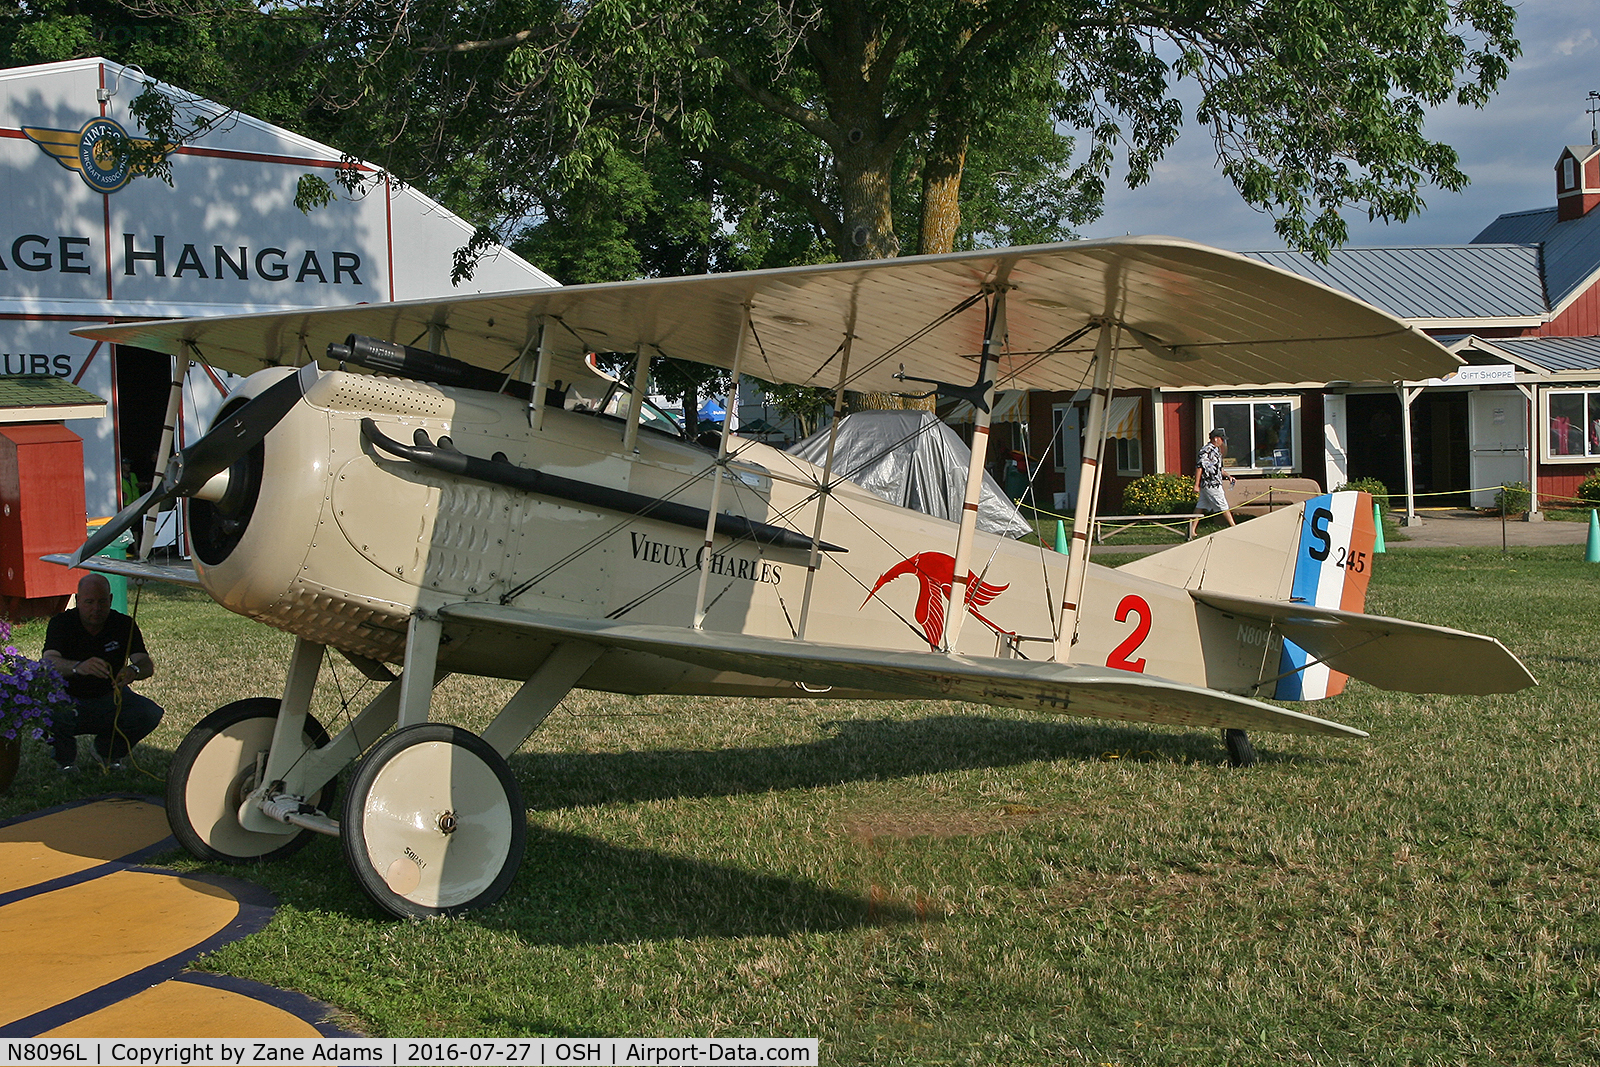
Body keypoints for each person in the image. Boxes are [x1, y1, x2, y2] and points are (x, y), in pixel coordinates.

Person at [40, 573, 164, 772]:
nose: (96, 609)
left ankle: (107, 752)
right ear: (78, 600)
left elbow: (145, 663)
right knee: (45, 710)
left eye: (102, 602)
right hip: (67, 698)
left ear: (111, 600)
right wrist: (78, 667)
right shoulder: (61, 623)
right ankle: (65, 762)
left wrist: (134, 670)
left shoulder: (124, 624)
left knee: (149, 713)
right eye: (89, 602)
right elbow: (48, 661)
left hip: (110, 698)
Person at [1188, 427, 1238, 539]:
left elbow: (1218, 468)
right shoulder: (1206, 451)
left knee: (1201, 506)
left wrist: (1228, 476)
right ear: (1216, 439)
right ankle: (1234, 527)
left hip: (1213, 483)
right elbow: (1200, 467)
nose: (1222, 441)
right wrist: (1196, 484)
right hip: (1211, 484)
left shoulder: (1216, 451)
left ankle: (1192, 530)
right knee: (1223, 505)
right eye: (1221, 439)